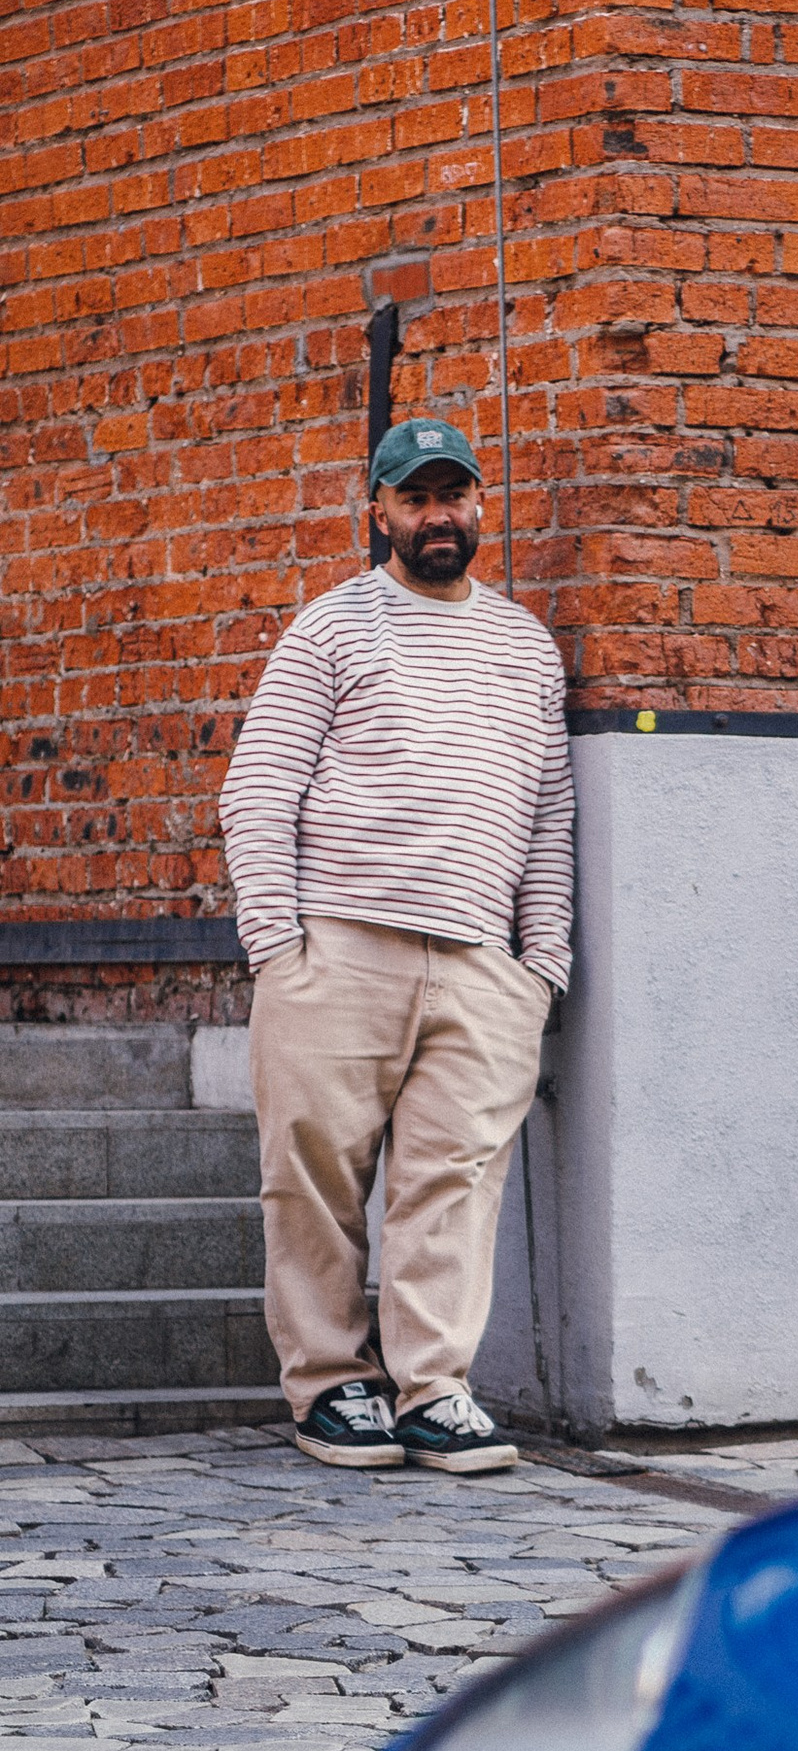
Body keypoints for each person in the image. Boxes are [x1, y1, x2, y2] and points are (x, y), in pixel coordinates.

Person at [219, 418, 572, 1474]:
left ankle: (434, 1390)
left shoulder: (524, 644)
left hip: (480, 961)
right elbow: (258, 792)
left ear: (479, 504)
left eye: (454, 495)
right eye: (415, 498)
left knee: (453, 1177)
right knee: (313, 1175)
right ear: (376, 510)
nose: (438, 516)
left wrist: (539, 967)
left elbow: (549, 815)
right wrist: (280, 949)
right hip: (338, 948)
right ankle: (329, 1386)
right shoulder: (331, 628)